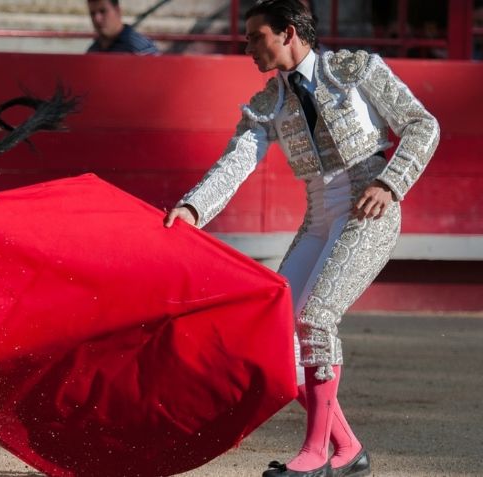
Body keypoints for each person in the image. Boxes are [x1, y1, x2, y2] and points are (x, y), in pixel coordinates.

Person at [164, 0, 439, 476]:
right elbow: (236, 161)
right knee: (276, 331)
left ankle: (315, 456)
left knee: (316, 318)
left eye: (256, 37)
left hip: (369, 206)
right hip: (319, 218)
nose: (247, 46)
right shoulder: (267, 103)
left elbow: (422, 124)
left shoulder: (356, 68)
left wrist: (390, 183)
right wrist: (193, 208)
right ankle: (347, 448)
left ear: (288, 33)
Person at [86, 0, 158, 55]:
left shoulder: (140, 48)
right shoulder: (93, 50)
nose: (97, 19)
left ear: (117, 10)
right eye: (92, 13)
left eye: (103, 11)